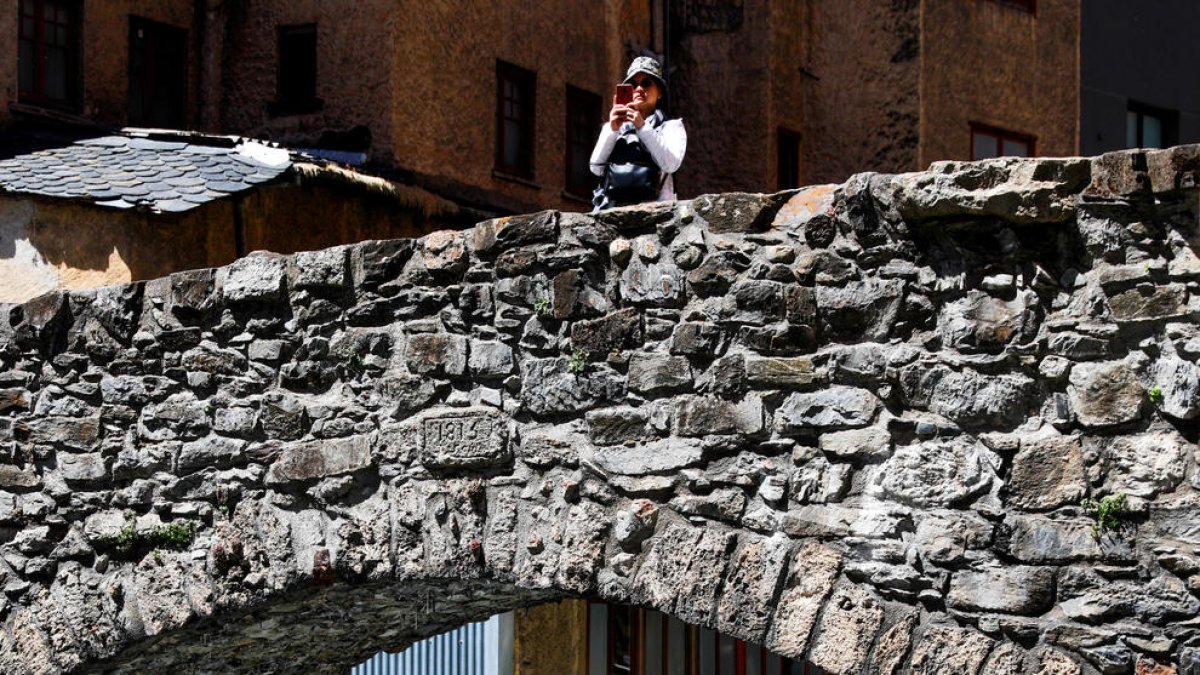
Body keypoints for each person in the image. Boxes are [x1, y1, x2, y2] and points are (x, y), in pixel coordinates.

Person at [590, 56, 687, 211]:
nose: (639, 89)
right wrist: (612, 129)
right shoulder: (615, 127)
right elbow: (596, 168)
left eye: (646, 83)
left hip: (656, 214)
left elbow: (670, 164)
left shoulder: (672, 127)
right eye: (633, 85)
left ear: (659, 92)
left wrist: (641, 126)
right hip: (613, 212)